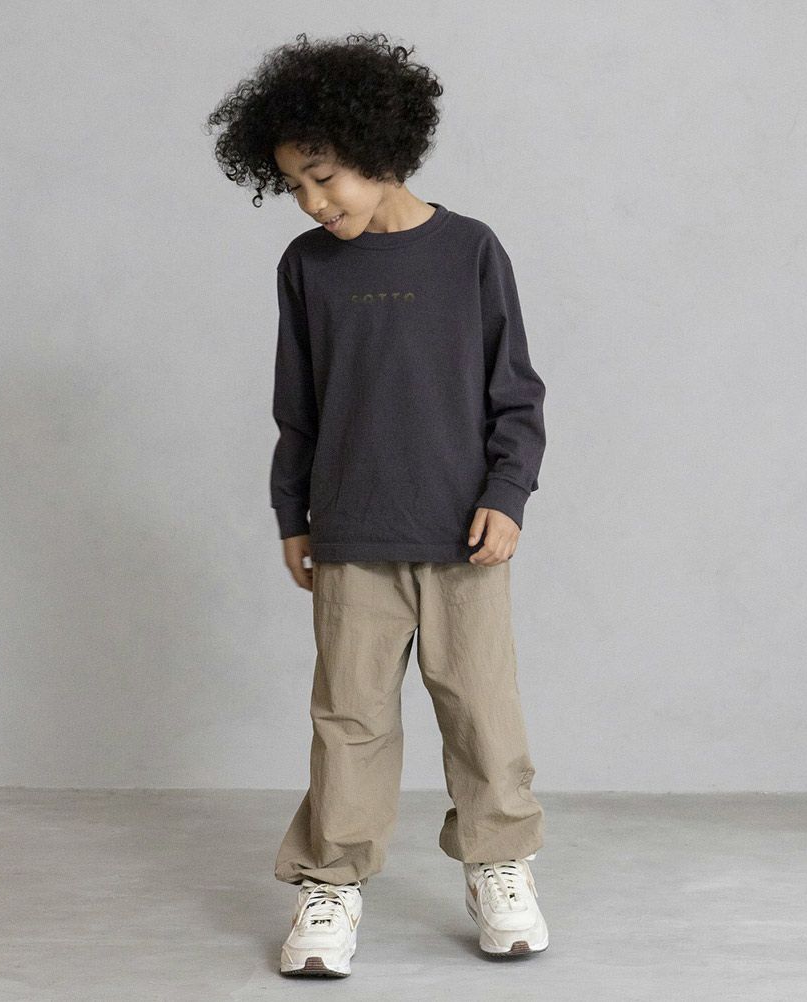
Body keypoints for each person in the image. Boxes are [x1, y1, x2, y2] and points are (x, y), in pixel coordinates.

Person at [206, 31, 549, 977]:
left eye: (324, 178)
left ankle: (500, 863)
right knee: (349, 718)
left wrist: (508, 494)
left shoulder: (470, 250)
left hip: (463, 534)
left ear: (380, 148)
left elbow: (516, 393)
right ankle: (331, 881)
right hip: (352, 531)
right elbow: (299, 406)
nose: (313, 202)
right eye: (294, 186)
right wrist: (292, 514)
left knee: (482, 711)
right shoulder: (307, 266)